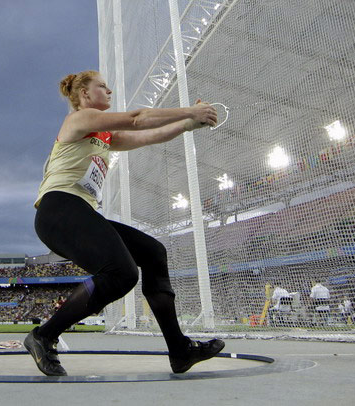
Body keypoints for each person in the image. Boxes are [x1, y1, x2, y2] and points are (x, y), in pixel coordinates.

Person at [23, 70, 223, 376]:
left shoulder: (104, 137)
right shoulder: (78, 120)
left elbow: (147, 135)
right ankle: (43, 336)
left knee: (154, 253)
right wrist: (189, 110)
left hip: (80, 212)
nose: (110, 90)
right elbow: (136, 119)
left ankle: (180, 351)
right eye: (102, 86)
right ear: (85, 95)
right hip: (58, 210)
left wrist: (188, 124)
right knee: (122, 273)